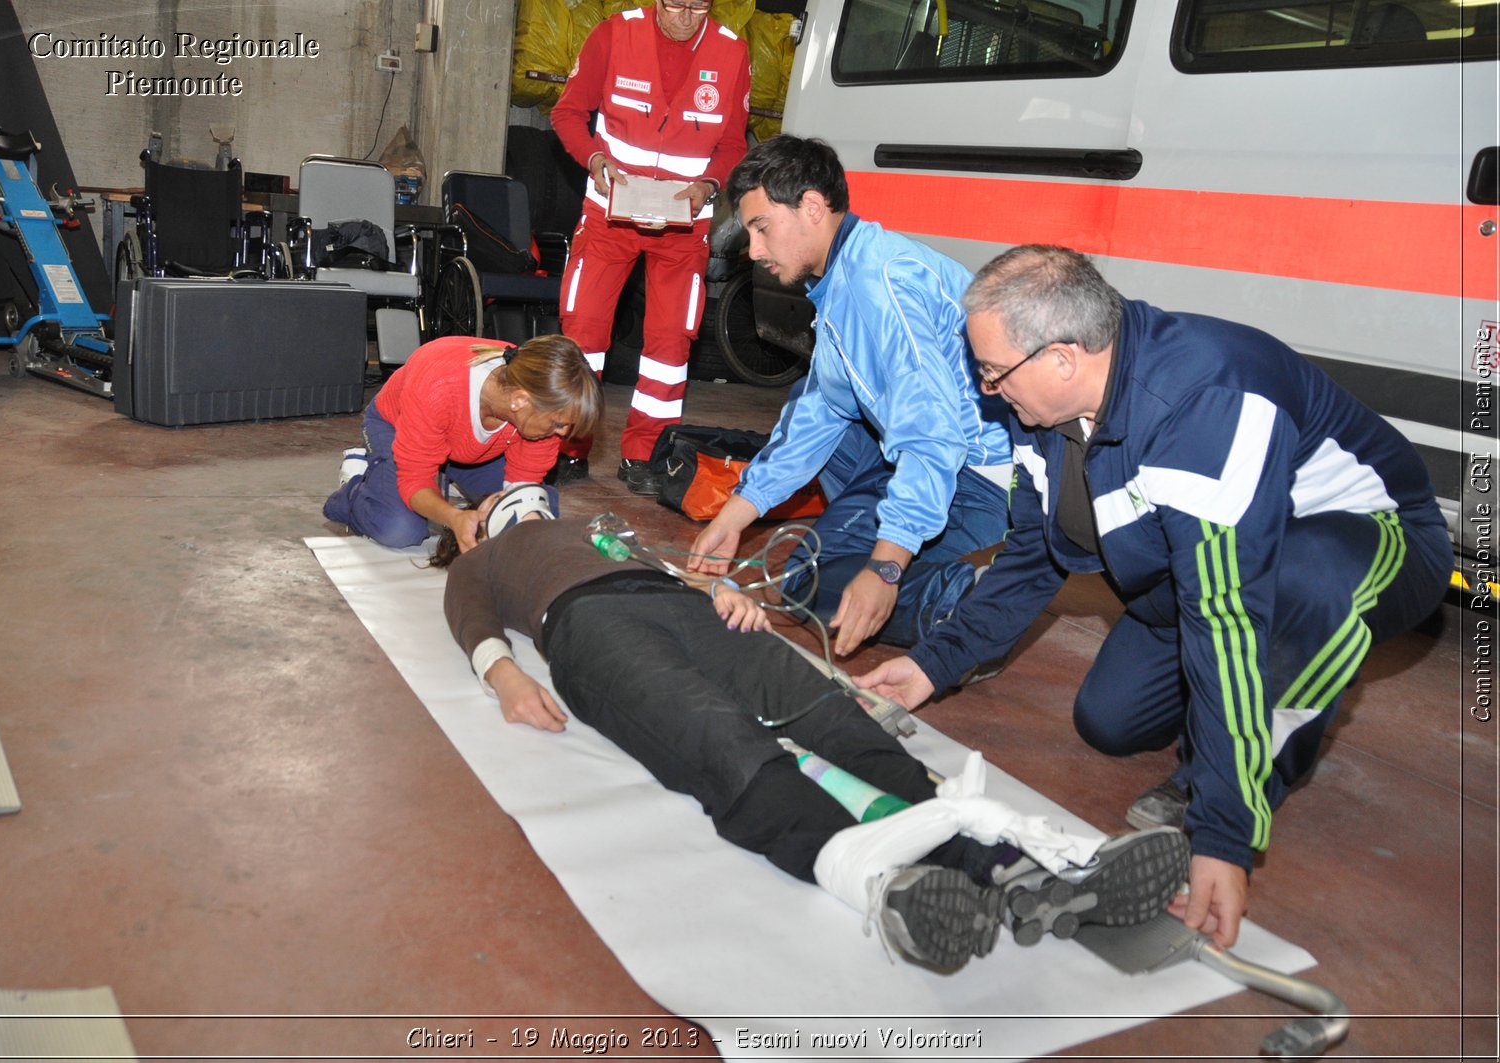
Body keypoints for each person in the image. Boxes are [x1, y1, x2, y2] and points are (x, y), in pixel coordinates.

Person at [855, 245, 1453, 950]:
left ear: (1063, 357)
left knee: (1293, 591)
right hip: (1219, 547)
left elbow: (1225, 612)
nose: (986, 389)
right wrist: (932, 663)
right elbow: (1033, 553)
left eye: (992, 371)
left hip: (1365, 540)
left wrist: (1222, 834)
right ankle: (1224, 725)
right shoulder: (1040, 411)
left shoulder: (1202, 403)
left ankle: (1249, 769)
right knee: (1108, 720)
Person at [438, 496, 1189, 972]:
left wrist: (721, 591)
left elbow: (685, 568)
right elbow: (466, 609)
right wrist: (503, 672)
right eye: (512, 501)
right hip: (587, 628)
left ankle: (1005, 862)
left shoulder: (604, 530)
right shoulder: (493, 557)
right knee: (717, 738)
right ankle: (882, 881)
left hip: (683, 607)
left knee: (823, 711)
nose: (529, 504)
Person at [689, 135, 1014, 657]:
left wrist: (887, 564)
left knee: (808, 582)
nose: (754, 251)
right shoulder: (848, 271)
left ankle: (963, 605)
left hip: (975, 474)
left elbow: (933, 436)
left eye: (761, 227)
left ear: (813, 207)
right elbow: (818, 411)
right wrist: (737, 514)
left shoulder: (877, 287)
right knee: (820, 409)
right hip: (941, 453)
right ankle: (885, 539)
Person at [549, 0, 751, 495]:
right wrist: (594, 159)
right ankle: (569, 448)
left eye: (698, 6)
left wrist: (709, 183)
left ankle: (645, 453)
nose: (684, 16)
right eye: (675, 4)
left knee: (669, 344)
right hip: (609, 214)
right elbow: (568, 112)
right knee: (585, 331)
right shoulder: (614, 35)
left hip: (684, 226)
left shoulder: (732, 52)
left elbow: (732, 144)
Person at [322, 334, 601, 550]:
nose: (563, 433)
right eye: (558, 423)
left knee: (540, 512)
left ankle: (442, 479)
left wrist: (524, 519)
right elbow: (415, 481)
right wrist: (454, 517)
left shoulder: (542, 400)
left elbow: (523, 483)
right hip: (395, 426)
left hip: (472, 450)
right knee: (399, 529)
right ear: (519, 401)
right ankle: (358, 485)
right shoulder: (438, 387)